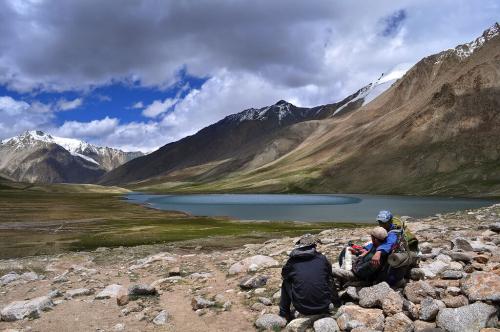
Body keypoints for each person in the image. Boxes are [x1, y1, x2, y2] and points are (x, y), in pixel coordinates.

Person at [279, 234, 338, 322]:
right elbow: (328, 273)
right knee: (329, 278)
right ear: (314, 246)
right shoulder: (322, 258)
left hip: (303, 308)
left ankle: (284, 313)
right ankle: (336, 303)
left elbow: (284, 275)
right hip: (324, 306)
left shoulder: (292, 261)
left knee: (286, 282)